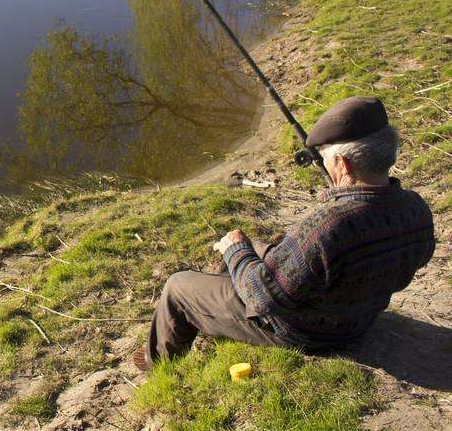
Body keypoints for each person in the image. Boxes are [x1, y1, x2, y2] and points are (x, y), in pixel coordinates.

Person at [133, 96, 435, 371]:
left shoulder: (328, 226)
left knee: (178, 287)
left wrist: (236, 250)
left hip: (307, 329)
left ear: (342, 164)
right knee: (259, 249)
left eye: (328, 162)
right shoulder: (417, 212)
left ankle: (157, 362)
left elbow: (263, 297)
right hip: (359, 318)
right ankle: (220, 308)